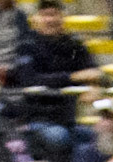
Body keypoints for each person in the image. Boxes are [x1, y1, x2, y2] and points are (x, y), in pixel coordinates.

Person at [13, 0, 104, 136]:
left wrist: (94, 85)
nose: (50, 20)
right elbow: (30, 80)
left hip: (68, 119)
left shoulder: (74, 44)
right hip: (37, 118)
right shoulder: (27, 45)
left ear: (62, 17)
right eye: (45, 15)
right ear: (36, 19)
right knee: (60, 137)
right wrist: (72, 77)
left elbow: (94, 72)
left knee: (94, 137)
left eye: (54, 14)